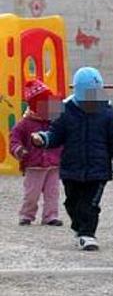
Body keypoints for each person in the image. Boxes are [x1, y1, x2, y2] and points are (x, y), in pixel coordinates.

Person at [30, 67, 113, 252]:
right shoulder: (64, 110)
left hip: (98, 170)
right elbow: (55, 134)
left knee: (90, 204)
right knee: (72, 202)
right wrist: (42, 139)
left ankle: (88, 234)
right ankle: (79, 227)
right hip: (71, 169)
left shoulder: (108, 112)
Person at [10, 79, 63, 227]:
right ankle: (27, 215)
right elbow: (14, 139)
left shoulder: (55, 121)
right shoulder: (25, 123)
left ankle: (50, 216)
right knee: (31, 193)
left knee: (53, 192)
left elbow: (62, 136)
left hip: (53, 163)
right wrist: (19, 150)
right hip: (33, 164)